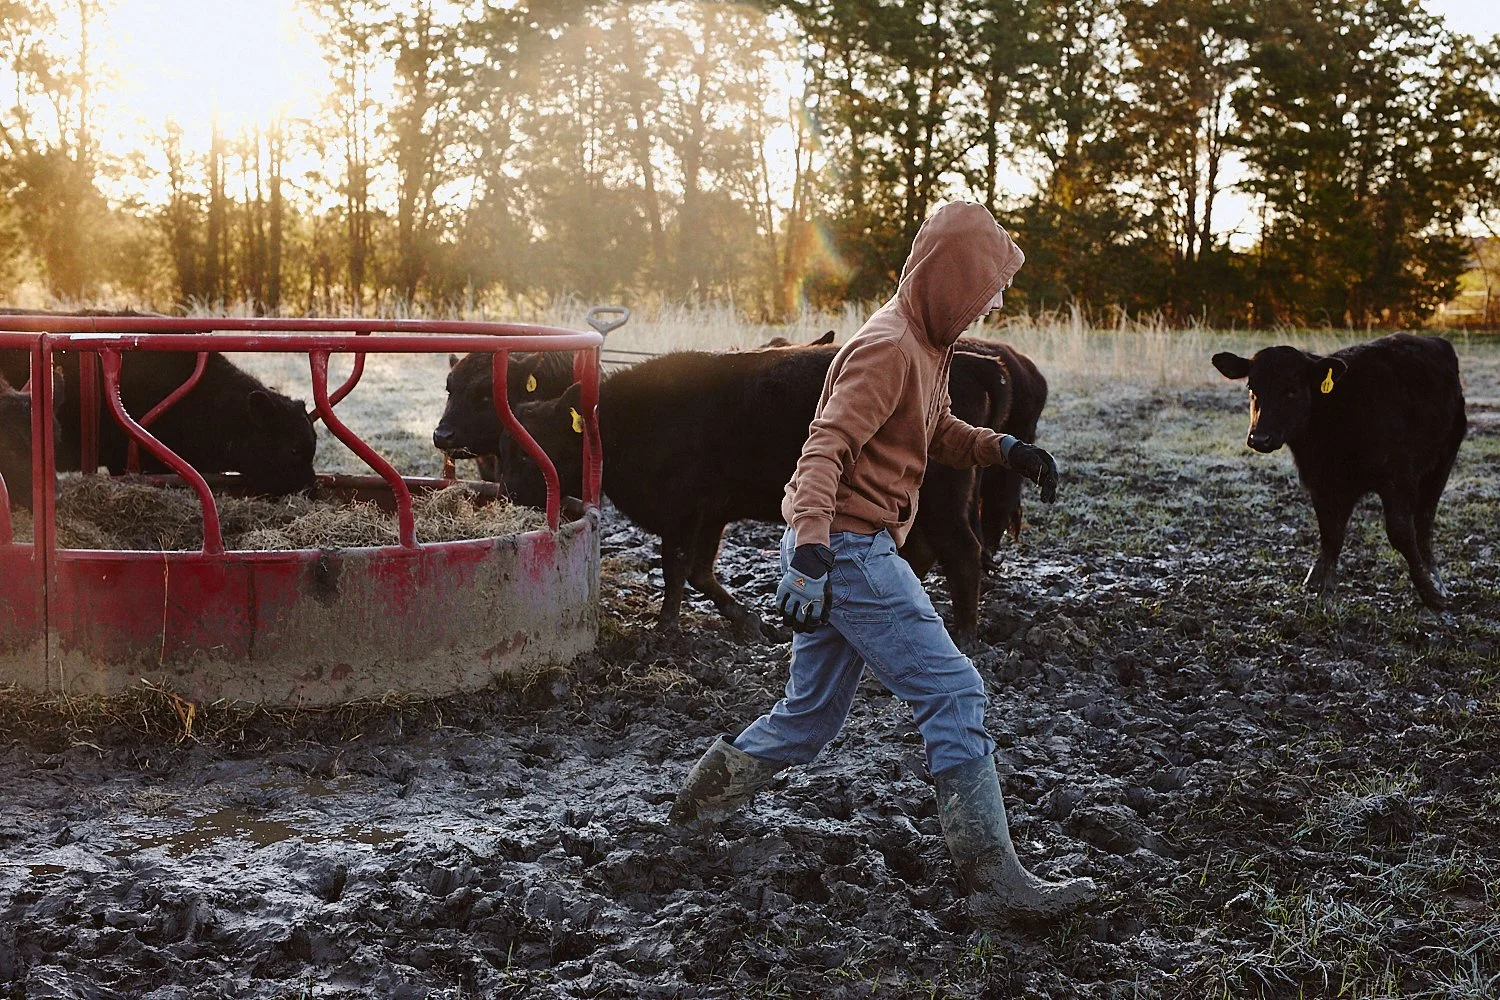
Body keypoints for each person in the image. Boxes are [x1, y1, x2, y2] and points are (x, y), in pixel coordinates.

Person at [669, 201, 1097, 922]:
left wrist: (1005, 450)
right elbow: (822, 449)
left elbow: (933, 429)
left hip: (847, 546)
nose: (995, 301)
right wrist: (808, 552)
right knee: (955, 692)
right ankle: (996, 883)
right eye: (989, 285)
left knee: (807, 717)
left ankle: (690, 816)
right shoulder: (886, 347)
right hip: (846, 549)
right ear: (952, 276)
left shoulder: (924, 344)